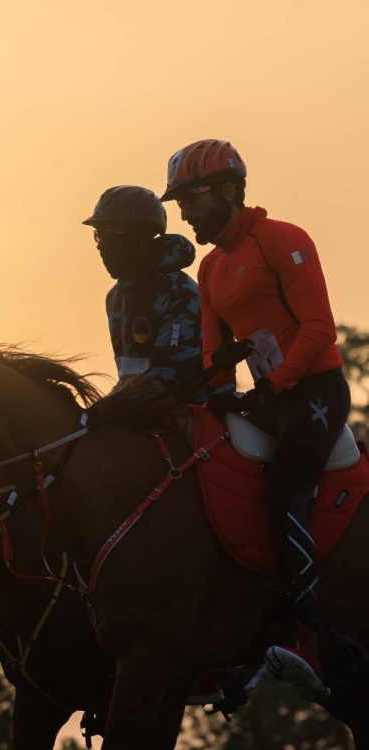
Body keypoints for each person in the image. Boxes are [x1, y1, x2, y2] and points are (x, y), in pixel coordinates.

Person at [159, 139, 351, 698]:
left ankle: (308, 639)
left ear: (223, 192)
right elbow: (214, 357)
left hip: (314, 393)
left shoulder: (284, 241)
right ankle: (228, 644)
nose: (185, 215)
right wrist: (213, 397)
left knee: (284, 492)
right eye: (179, 206)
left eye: (190, 202)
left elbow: (319, 331)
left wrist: (269, 386)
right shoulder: (212, 268)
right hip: (267, 400)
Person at [83, 185, 210, 405]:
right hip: (139, 413)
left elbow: (169, 379)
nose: (100, 245)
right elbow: (129, 378)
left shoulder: (180, 294)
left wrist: (103, 408)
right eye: (97, 235)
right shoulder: (115, 298)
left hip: (190, 421)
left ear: (140, 238)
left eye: (108, 235)